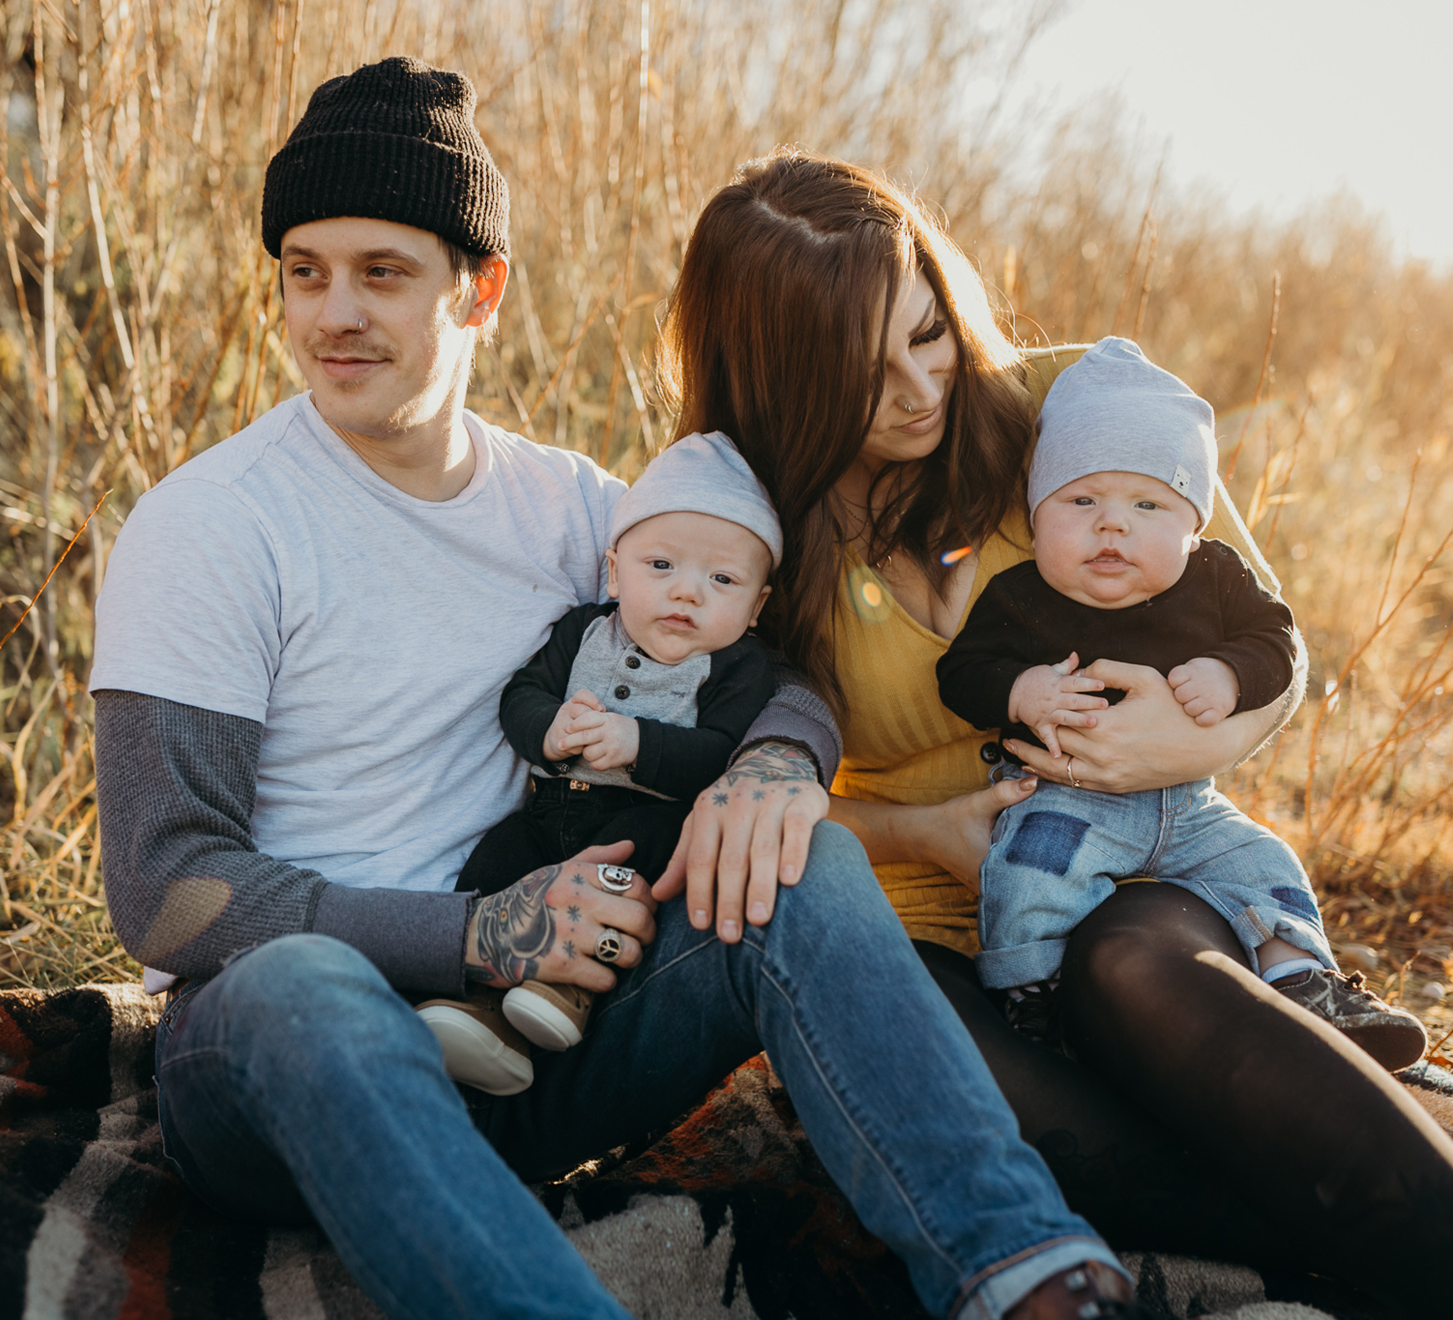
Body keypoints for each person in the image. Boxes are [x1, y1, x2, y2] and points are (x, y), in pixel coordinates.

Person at [93, 57, 1161, 1320]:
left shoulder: (581, 513)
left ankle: (1024, 1271)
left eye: (382, 273)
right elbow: (167, 889)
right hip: (281, 1071)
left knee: (801, 859)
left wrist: (775, 767)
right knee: (303, 985)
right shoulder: (213, 526)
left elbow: (778, 675)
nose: (334, 315)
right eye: (303, 271)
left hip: (545, 1045)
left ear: (481, 290)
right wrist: (478, 933)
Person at [652, 147, 1453, 1317]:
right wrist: (922, 832)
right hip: (920, 916)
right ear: (776, 380)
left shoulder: (1084, 406)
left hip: (1138, 860)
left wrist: (1175, 752)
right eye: (864, 375)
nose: (922, 389)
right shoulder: (732, 529)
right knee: (972, 1094)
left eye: (928, 335)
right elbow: (737, 790)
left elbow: (1269, 646)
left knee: (1134, 964)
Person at [934, 336, 1425, 1070]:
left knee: (1264, 861)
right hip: (1065, 799)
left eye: (1148, 503)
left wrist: (1229, 674)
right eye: (1080, 500)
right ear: (1036, 518)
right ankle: (1034, 993)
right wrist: (1022, 690)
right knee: (1028, 871)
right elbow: (960, 674)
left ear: (1195, 529)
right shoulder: (1017, 597)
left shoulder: (1217, 578)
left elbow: (1277, 641)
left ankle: (1302, 980)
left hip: (1191, 806)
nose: (1112, 524)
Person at [417, 432, 781, 1094]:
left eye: (722, 580)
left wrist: (640, 744)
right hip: (550, 811)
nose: (687, 593)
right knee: (498, 860)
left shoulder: (738, 666)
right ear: (615, 572)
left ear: (757, 606)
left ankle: (566, 992)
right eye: (661, 566)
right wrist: (549, 729)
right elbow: (522, 695)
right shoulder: (583, 629)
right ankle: (474, 1004)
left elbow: (720, 753)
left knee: (629, 873)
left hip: (644, 821)